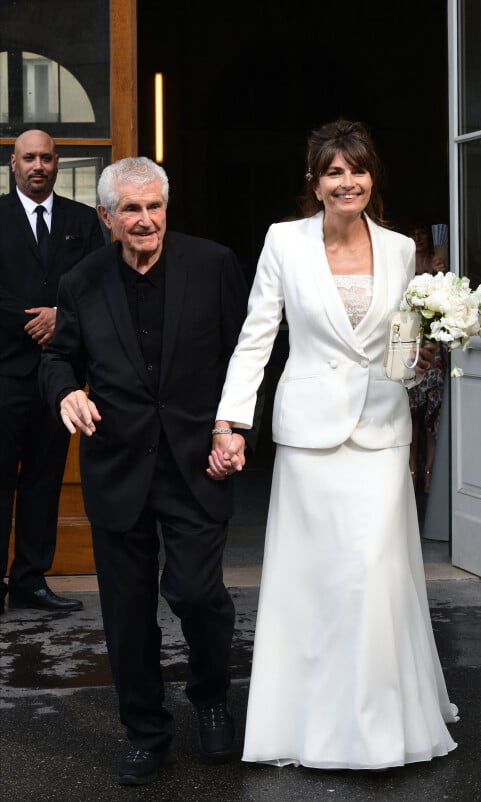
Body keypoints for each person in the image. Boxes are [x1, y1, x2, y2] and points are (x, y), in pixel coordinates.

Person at [207, 119, 458, 770]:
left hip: (378, 429)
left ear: (372, 178)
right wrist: (230, 422)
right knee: (316, 582)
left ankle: (378, 730)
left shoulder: (401, 249)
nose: (348, 182)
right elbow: (257, 335)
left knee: (372, 577)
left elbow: (403, 339)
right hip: (310, 434)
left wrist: (433, 346)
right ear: (314, 182)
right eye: (334, 171)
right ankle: (305, 725)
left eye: (359, 170)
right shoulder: (283, 243)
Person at [39, 157, 258, 786]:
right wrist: (66, 393)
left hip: (197, 462)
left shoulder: (213, 265)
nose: (145, 220)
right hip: (117, 466)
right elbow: (60, 356)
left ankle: (211, 695)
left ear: (167, 208)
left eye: (154, 206)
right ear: (107, 217)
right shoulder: (82, 280)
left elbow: (246, 355)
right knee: (127, 612)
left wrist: (234, 429)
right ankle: (145, 729)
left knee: (195, 592)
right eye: (130, 210)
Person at [0, 129, 106, 614]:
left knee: (42, 481)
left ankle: (30, 580)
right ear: (13, 163)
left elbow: (99, 286)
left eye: (45, 157)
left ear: (57, 162)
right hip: (4, 372)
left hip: (55, 376)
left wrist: (61, 317)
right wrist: (35, 318)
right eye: (28, 158)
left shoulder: (82, 221)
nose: (37, 165)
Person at [405, 222, 448, 494]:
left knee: (431, 417)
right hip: (408, 343)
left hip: (433, 343)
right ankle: (411, 472)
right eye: (414, 232)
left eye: (422, 233)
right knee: (409, 416)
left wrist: (441, 272)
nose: (418, 237)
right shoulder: (402, 262)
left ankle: (431, 474)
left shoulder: (438, 260)